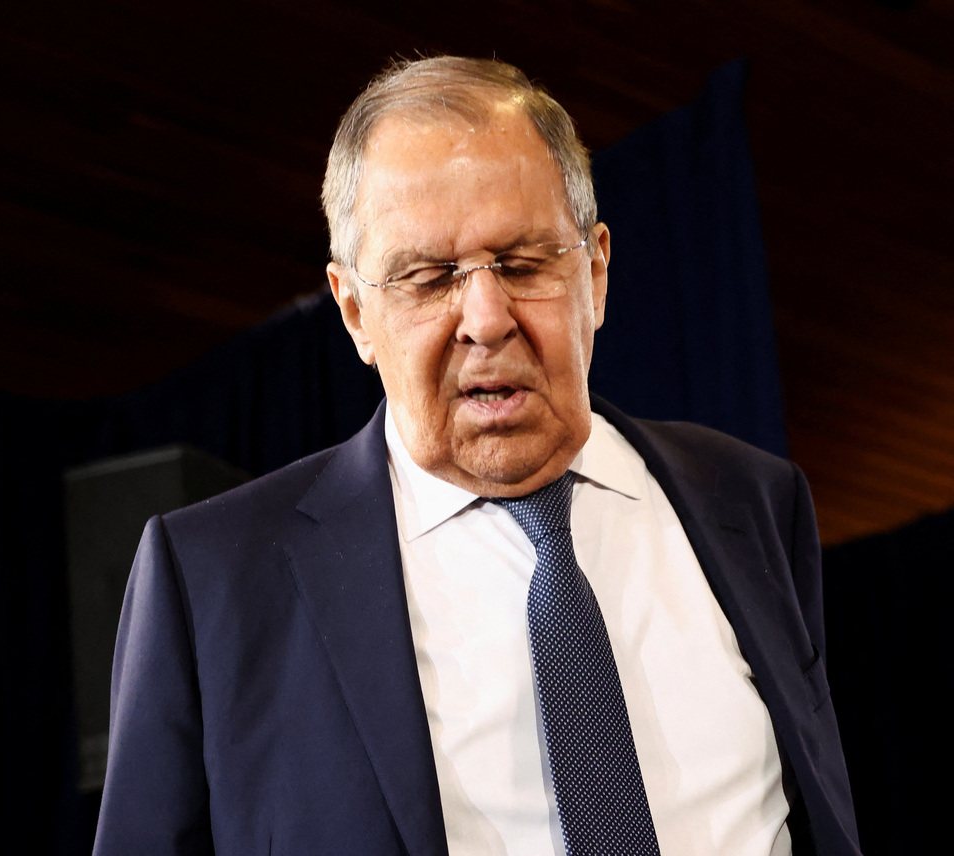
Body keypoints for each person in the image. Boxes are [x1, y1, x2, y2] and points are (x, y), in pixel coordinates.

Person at [92, 55, 860, 855]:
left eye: (523, 265)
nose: (486, 319)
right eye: (428, 279)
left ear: (595, 272)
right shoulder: (214, 578)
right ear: (354, 312)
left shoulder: (750, 498)